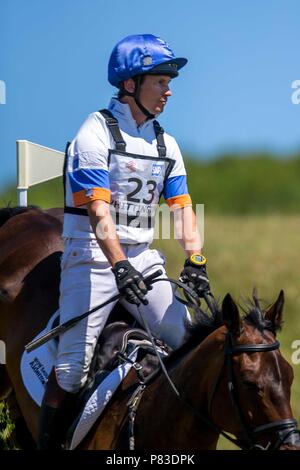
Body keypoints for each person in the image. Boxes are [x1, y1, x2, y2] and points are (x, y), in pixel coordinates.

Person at [37, 33, 210, 449]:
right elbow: (98, 214)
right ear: (130, 83)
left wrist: (196, 259)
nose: (168, 91)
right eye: (160, 82)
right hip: (93, 259)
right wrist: (118, 266)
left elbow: (183, 208)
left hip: (143, 259)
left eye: (170, 83)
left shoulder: (166, 142)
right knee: (72, 370)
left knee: (189, 343)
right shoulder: (93, 134)